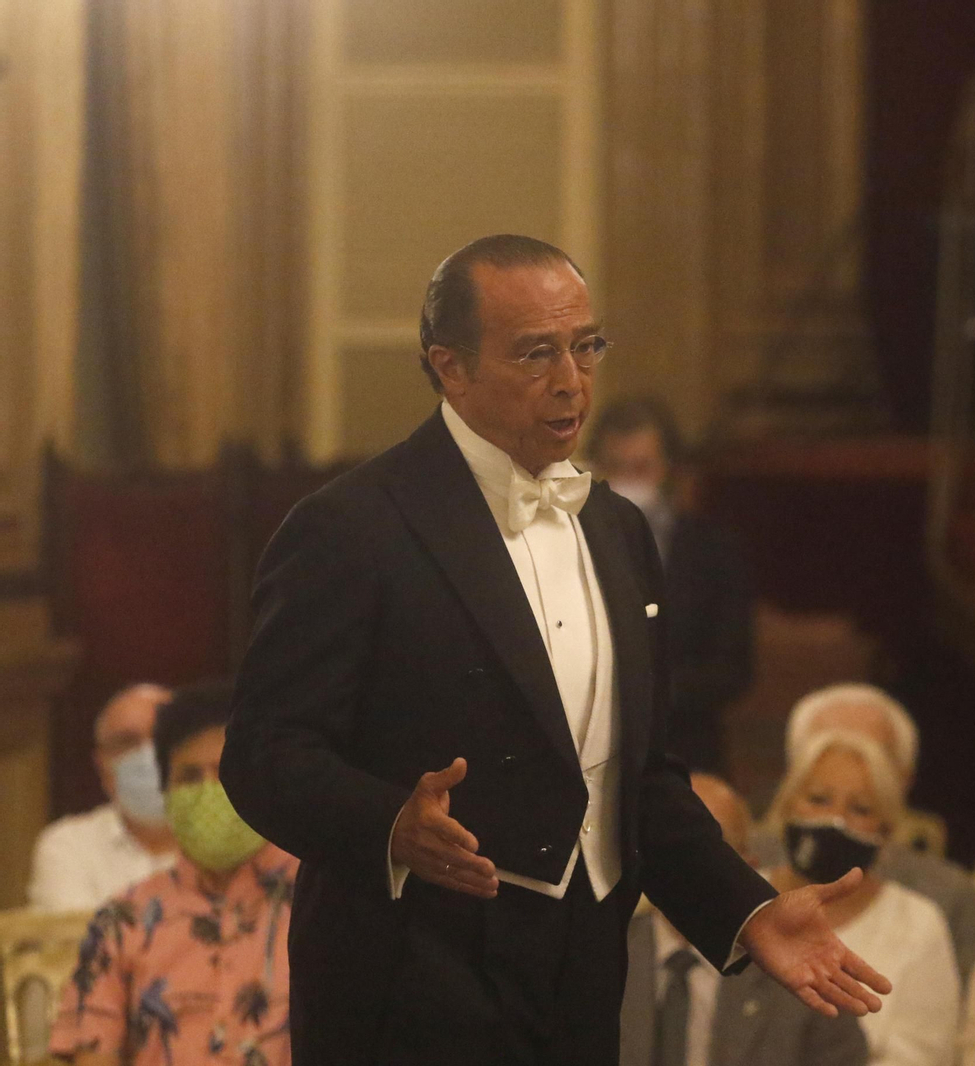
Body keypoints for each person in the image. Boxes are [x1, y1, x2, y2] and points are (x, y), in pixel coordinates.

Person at [219, 235, 889, 1066]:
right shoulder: (350, 529)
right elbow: (262, 754)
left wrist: (747, 909)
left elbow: (637, 779)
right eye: (536, 352)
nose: (572, 380)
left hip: (581, 977)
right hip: (407, 980)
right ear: (450, 367)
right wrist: (389, 825)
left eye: (586, 345)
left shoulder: (619, 530)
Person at [50, 680, 299, 1066]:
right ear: (166, 794)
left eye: (224, 773)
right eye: (189, 778)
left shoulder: (319, 903)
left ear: (260, 782)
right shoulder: (124, 921)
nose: (209, 791)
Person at [620, 772, 869, 1066]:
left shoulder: (799, 973)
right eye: (671, 847)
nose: (687, 867)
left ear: (746, 868)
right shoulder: (602, 954)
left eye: (708, 851)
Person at [749, 683, 975, 983]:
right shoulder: (739, 865)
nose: (849, 765)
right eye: (827, 749)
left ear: (903, 781)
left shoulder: (946, 896)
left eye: (872, 757)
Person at [764, 729, 961, 1066]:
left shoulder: (917, 923)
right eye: (818, 800)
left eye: (860, 808)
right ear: (787, 804)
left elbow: (924, 1055)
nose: (836, 820)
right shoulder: (741, 901)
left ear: (885, 830)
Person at [586, 398, 755, 774]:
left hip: (685, 752)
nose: (627, 481)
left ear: (668, 471)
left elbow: (733, 669)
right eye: (615, 467)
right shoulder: (570, 544)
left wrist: (646, 690)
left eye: (642, 467)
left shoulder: (712, 550)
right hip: (593, 756)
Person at [28, 684, 178, 912]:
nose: (148, 755)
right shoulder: (70, 846)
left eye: (163, 738)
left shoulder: (234, 843)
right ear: (102, 766)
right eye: (127, 742)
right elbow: (76, 942)